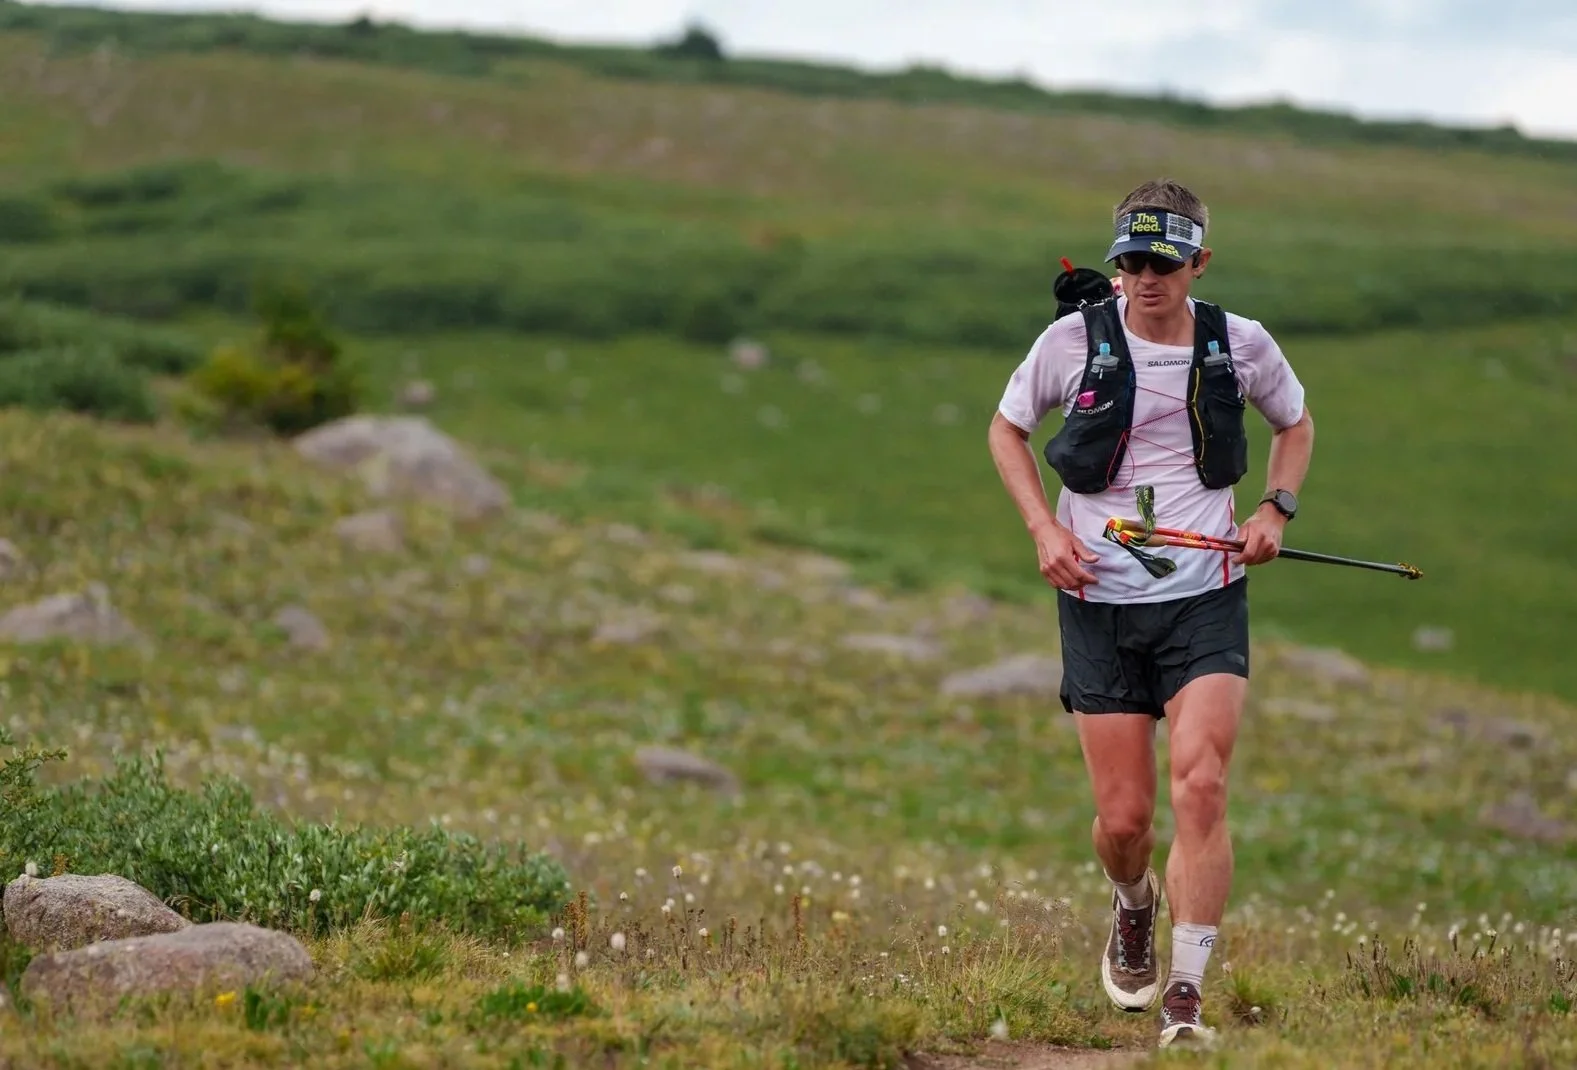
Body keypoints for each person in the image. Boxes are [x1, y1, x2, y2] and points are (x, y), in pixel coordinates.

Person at [986, 178, 1314, 1049]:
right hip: (1097, 602)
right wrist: (1041, 530)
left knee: (1201, 784)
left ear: (1197, 262)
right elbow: (1005, 429)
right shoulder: (1070, 342)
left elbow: (1295, 422)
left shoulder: (1239, 344)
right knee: (1124, 821)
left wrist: (1273, 511)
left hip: (1204, 599)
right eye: (1129, 262)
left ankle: (1185, 995)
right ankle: (1132, 904)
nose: (1143, 279)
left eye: (1162, 263)